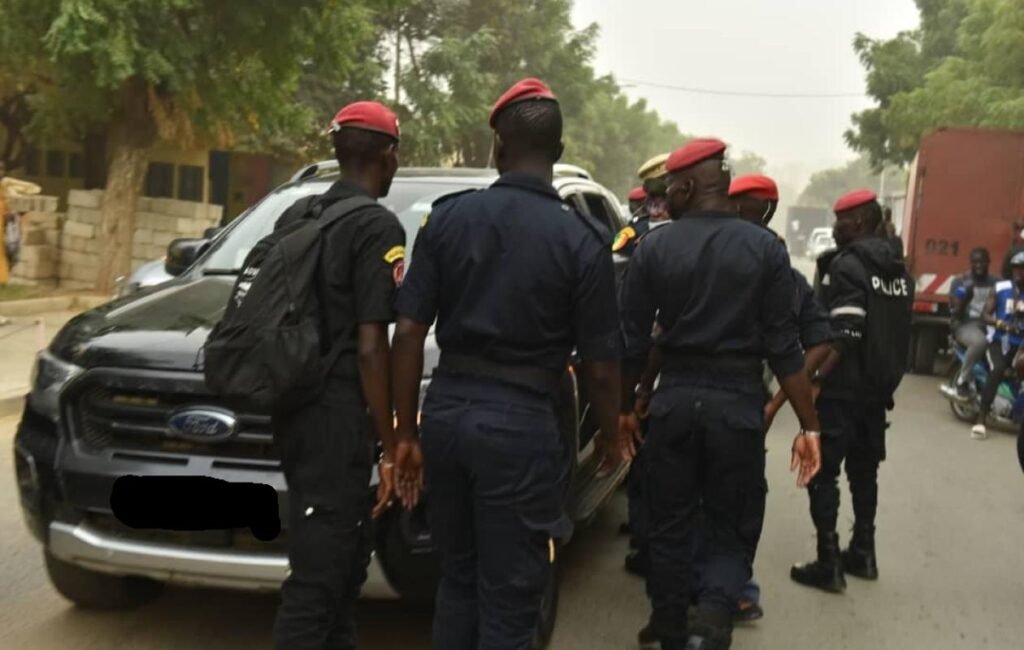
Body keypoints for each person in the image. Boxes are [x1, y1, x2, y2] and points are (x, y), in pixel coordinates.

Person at [390, 78, 632, 650]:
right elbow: (600, 364)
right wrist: (609, 436)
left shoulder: (447, 220)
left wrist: (405, 433)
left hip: (447, 416)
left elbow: (407, 332)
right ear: (559, 150)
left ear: (497, 146)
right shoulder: (581, 240)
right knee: (512, 595)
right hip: (522, 429)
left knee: (459, 579)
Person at [619, 138, 822, 650]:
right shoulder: (766, 250)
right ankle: (711, 624)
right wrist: (809, 425)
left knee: (668, 523)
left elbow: (632, 340)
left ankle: (667, 625)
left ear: (688, 186)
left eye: (669, 191)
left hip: (675, 403)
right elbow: (785, 347)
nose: (665, 201)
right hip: (737, 405)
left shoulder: (654, 248)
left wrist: (624, 408)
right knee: (731, 525)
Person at [270, 101, 411, 650]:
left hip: (295, 412)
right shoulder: (377, 226)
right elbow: (373, 348)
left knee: (342, 568)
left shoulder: (296, 215)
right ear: (387, 154)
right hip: (338, 422)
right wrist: (391, 439)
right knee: (317, 584)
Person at [791, 189, 914, 594]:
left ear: (858, 223)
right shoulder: (898, 270)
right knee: (864, 472)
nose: (835, 227)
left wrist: (815, 381)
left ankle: (829, 563)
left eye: (840, 220)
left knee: (822, 472)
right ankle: (863, 551)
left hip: (843, 390)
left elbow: (846, 332)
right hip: (878, 390)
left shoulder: (846, 267)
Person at [727, 174, 835, 623]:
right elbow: (819, 341)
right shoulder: (782, 270)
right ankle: (735, 590)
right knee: (740, 497)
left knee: (687, 496)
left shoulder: (705, 254)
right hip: (748, 400)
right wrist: (779, 405)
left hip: (688, 394)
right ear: (771, 211)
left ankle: (688, 595)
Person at [972, 254, 1024, 441]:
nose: (1019, 272)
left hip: (1020, 345)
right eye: (1016, 268)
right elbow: (985, 314)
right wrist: (1001, 324)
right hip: (998, 341)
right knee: (998, 369)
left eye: (1023, 268)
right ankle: (981, 418)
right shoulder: (1001, 288)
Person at [940, 248, 998, 401]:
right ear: (971, 263)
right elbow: (954, 310)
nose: (979, 265)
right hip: (964, 324)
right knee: (980, 342)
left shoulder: (996, 282)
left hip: (989, 325)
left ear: (989, 262)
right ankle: (962, 381)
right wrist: (965, 297)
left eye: (983, 262)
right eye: (976, 262)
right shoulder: (960, 281)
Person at [612, 153, 671, 258]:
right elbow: (617, 249)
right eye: (652, 196)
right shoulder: (634, 231)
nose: (653, 203)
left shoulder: (693, 229)